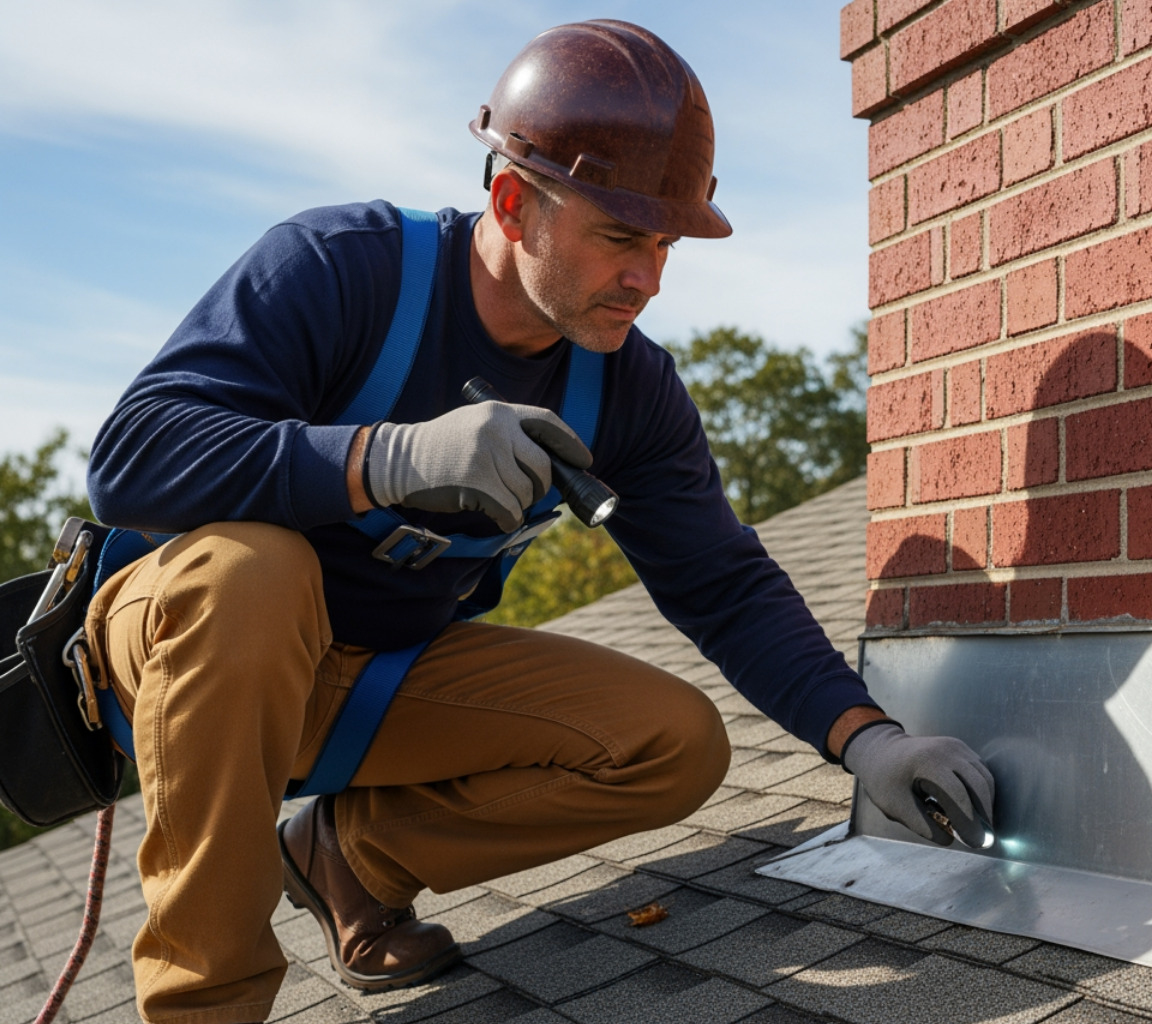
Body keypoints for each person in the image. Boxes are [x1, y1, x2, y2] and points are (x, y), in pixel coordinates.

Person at [83, 19, 995, 1023]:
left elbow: (721, 583)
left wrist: (866, 740)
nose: (649, 278)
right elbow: (132, 457)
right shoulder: (342, 269)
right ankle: (202, 1008)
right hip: (191, 652)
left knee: (673, 741)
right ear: (513, 200)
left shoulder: (627, 391)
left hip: (372, 676)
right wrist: (387, 457)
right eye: (619, 237)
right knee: (252, 571)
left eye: (663, 243)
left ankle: (347, 856)